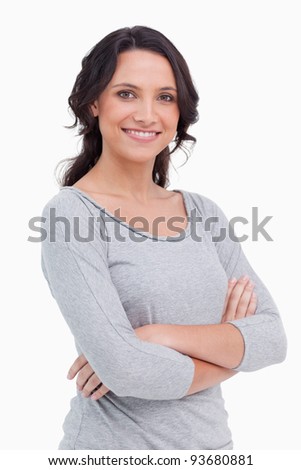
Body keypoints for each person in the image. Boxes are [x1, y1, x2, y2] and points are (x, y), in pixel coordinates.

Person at [40, 25, 287, 450]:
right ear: (94, 102)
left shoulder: (204, 213)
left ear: (179, 112)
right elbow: (129, 371)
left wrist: (157, 335)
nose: (147, 114)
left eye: (165, 97)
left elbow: (271, 339)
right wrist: (230, 354)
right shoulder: (71, 216)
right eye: (127, 93)